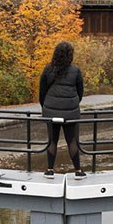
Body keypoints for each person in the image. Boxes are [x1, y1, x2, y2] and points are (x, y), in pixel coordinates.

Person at [38, 41, 85, 178]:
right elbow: (80, 92)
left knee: (52, 140)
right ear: (70, 55)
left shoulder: (48, 69)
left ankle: (50, 170)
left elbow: (42, 91)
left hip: (51, 111)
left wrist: (45, 107)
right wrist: (73, 105)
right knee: (72, 140)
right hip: (70, 112)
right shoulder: (75, 71)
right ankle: (78, 171)